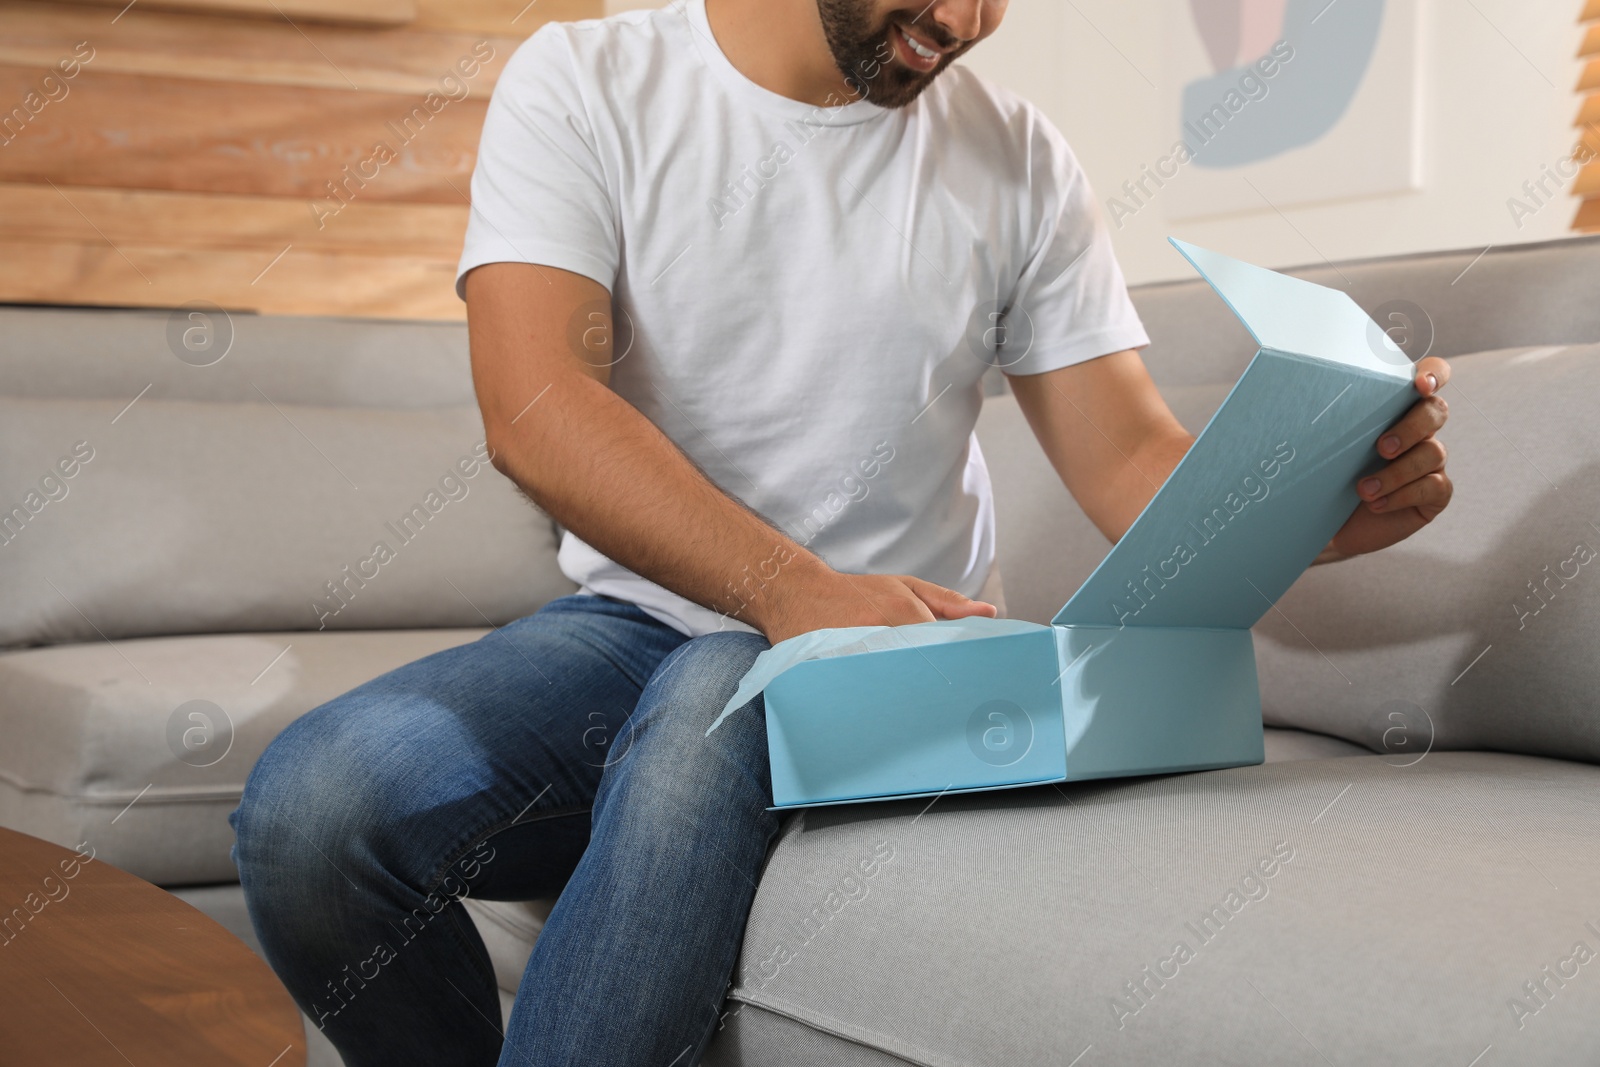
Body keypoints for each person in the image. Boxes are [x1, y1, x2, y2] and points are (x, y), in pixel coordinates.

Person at [231, 0, 1453, 1063]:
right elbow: (538, 404)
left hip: (898, 657)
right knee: (315, 808)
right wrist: (786, 584)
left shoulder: (1016, 156)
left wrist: (1315, 504)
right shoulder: (586, 82)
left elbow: (1131, 460)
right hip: (632, 627)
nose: (968, 21)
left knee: (713, 695)